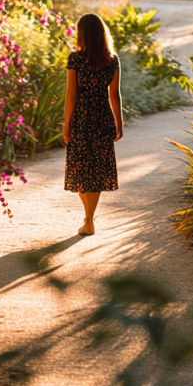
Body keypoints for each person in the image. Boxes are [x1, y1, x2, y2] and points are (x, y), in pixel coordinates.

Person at [63, 12, 123, 236]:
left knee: (81, 170)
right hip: (102, 118)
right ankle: (89, 219)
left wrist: (66, 123)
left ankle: (89, 220)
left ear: (83, 34)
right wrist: (118, 122)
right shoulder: (112, 59)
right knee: (95, 171)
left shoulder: (75, 59)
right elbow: (114, 96)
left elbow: (71, 95)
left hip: (81, 118)